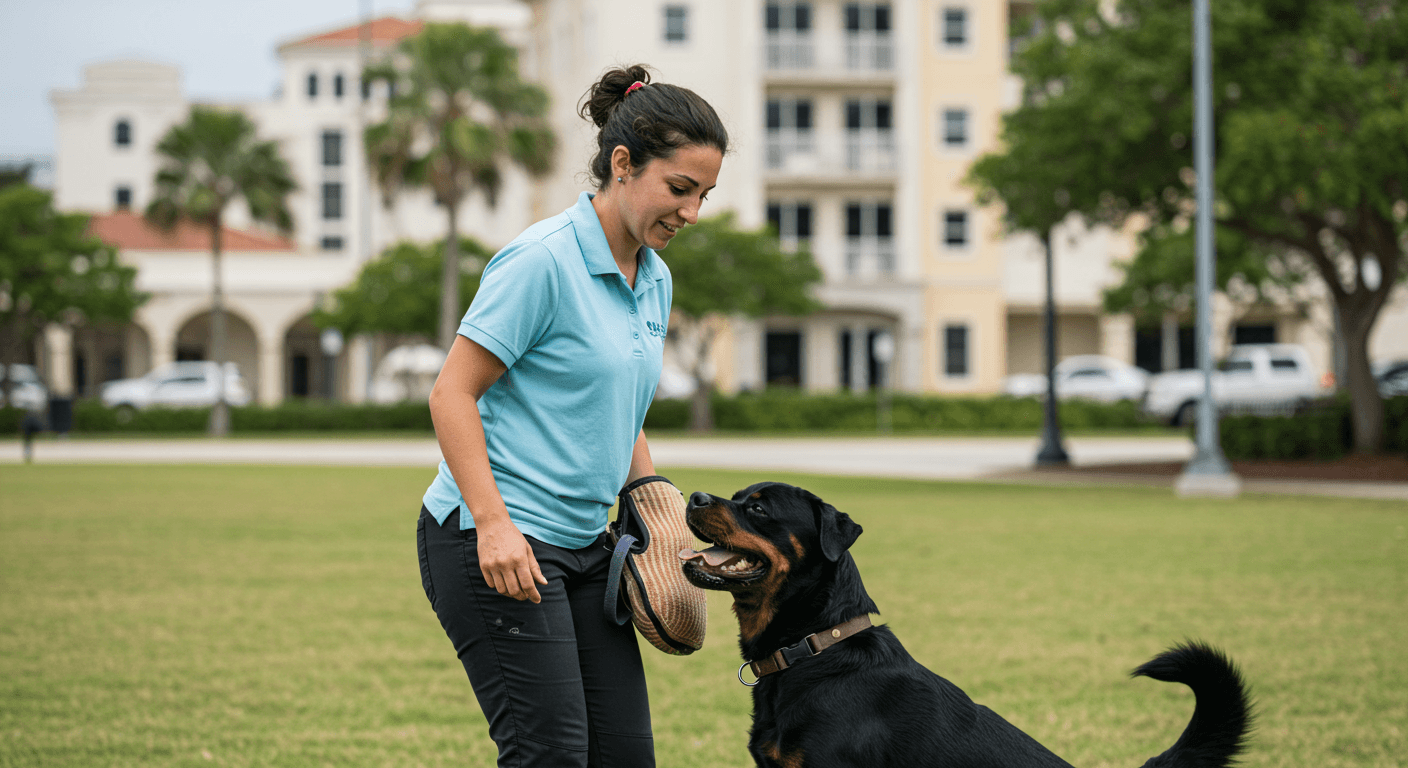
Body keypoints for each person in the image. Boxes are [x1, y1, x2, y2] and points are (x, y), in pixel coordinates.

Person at [415, 64, 728, 768]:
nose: (692, 213)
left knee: (624, 756)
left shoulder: (654, 275)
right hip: (497, 543)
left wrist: (660, 521)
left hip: (591, 549)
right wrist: (494, 526)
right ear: (623, 164)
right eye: (680, 189)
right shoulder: (542, 261)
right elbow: (451, 393)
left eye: (704, 195)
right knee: (550, 755)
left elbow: (620, 413)